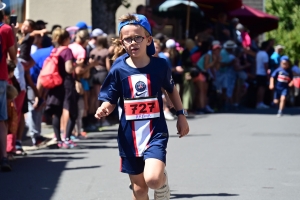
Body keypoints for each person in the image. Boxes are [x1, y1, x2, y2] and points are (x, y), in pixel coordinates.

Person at [95, 14, 189, 200]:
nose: (133, 42)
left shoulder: (160, 65)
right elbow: (111, 97)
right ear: (122, 43)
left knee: (153, 180)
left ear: (148, 39)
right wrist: (105, 107)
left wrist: (181, 114)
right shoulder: (118, 67)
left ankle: (162, 183)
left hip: (155, 132)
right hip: (129, 137)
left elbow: (171, 90)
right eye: (127, 39)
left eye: (138, 37)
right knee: (139, 190)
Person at [0, 4, 17, 171]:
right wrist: (14, 35)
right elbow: (13, 57)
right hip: (0, 79)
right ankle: (4, 157)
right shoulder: (5, 30)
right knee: (2, 121)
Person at [256, 41, 270, 109]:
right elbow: (265, 65)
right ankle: (260, 102)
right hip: (262, 73)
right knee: (262, 88)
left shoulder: (258, 53)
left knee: (259, 88)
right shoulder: (265, 54)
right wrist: (267, 75)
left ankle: (259, 102)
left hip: (258, 72)